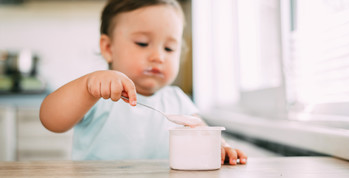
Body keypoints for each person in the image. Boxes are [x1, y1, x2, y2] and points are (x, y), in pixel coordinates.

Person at [39, 0, 247, 165]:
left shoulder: (177, 100)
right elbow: (50, 120)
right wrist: (85, 87)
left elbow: (201, 134)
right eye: (142, 43)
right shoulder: (98, 94)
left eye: (169, 48)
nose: (158, 56)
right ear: (108, 47)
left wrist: (220, 146)